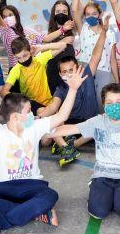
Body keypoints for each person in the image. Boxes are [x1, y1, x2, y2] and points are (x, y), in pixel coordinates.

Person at [0, 64, 85, 234]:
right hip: (3, 186)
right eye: (28, 111)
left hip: (32, 185)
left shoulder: (34, 127)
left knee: (50, 196)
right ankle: (34, 212)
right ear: (15, 116)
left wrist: (73, 89)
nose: (33, 114)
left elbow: (62, 117)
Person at [49, 83, 120, 220]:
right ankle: (99, 189)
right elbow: (72, 128)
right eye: (109, 102)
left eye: (119, 102)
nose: (114, 106)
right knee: (97, 212)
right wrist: (42, 131)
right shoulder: (98, 121)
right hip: (103, 174)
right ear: (104, 106)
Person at [37, 14, 111, 166]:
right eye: (64, 71)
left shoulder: (87, 74)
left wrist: (103, 31)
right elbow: (53, 107)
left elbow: (96, 54)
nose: (68, 73)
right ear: (60, 74)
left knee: (102, 123)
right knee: (44, 139)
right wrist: (39, 119)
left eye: (71, 69)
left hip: (88, 125)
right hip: (70, 126)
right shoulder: (61, 87)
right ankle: (66, 144)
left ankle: (71, 146)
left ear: (78, 68)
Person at [65, 0, 118, 101]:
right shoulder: (83, 28)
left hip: (104, 71)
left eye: (94, 13)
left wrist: (117, 81)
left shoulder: (109, 33)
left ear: (100, 14)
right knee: (86, 100)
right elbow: (75, 10)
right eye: (87, 14)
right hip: (84, 69)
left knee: (101, 102)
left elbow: (113, 60)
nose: (91, 16)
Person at [1, 37, 67, 113]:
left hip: (49, 102)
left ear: (30, 51)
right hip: (31, 106)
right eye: (18, 58)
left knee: (58, 118)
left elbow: (63, 46)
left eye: (25, 55)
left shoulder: (40, 59)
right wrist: (21, 101)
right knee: (47, 113)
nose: (23, 60)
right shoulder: (16, 70)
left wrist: (41, 47)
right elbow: (3, 92)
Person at [0, 0, 46, 69]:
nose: (7, 18)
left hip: (32, 69)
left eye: (10, 15)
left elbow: (45, 38)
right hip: (16, 69)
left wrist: (63, 30)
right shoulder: (5, 30)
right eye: (4, 17)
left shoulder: (27, 30)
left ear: (17, 15)